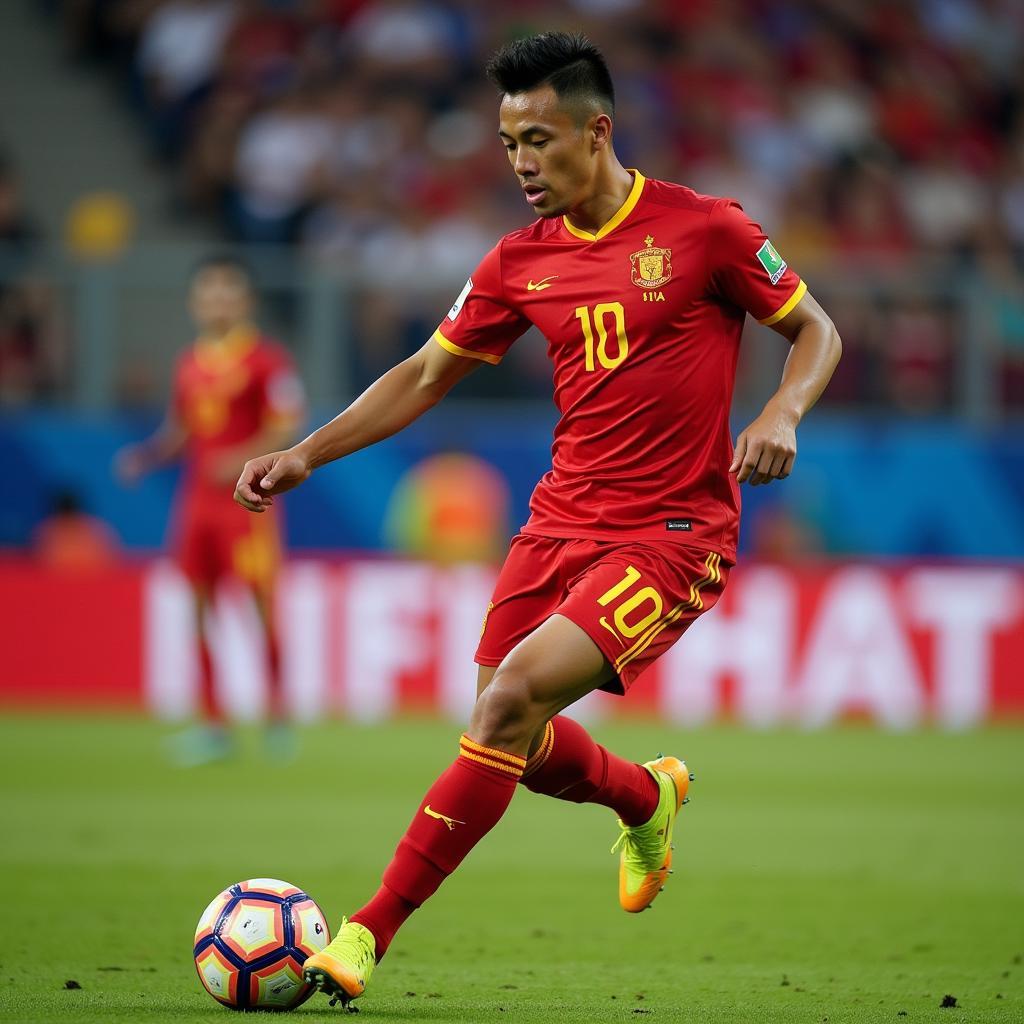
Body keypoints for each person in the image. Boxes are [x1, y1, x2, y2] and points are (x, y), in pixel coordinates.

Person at [234, 32, 841, 1007]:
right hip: (555, 524)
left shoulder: (705, 231)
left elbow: (816, 328)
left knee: (507, 701)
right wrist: (307, 449)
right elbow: (426, 374)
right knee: (501, 726)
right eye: (508, 141)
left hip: (673, 534)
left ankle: (365, 931)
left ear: (595, 132)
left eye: (538, 139)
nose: (519, 163)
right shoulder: (519, 261)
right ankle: (645, 796)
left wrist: (780, 409)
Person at [118, 254, 305, 764]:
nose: (217, 299)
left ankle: (277, 717)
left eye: (227, 290)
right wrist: (148, 456)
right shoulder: (189, 363)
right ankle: (213, 723)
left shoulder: (268, 361)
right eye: (209, 291)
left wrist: (245, 458)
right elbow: (182, 430)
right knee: (197, 609)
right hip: (195, 505)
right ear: (194, 301)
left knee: (260, 608)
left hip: (247, 506)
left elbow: (286, 425)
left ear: (245, 300)